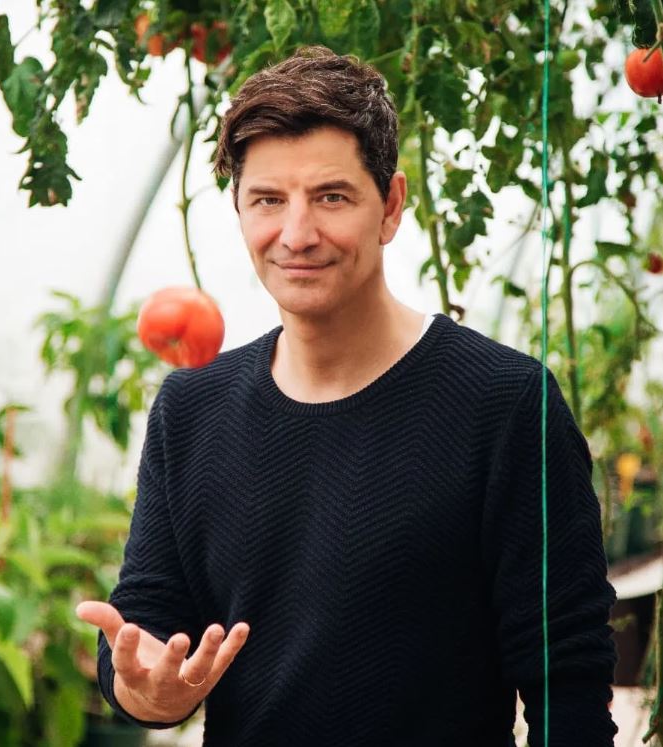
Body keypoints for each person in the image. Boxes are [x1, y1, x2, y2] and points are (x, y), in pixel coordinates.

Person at [76, 46, 618, 746]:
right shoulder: (191, 409)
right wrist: (144, 690)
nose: (296, 235)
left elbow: (565, 681)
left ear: (389, 206)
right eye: (268, 200)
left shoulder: (504, 404)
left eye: (331, 197)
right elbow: (149, 622)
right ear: (239, 209)